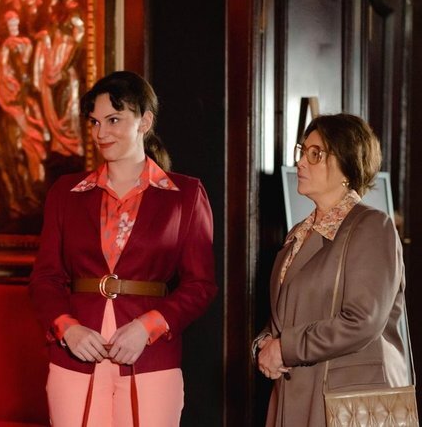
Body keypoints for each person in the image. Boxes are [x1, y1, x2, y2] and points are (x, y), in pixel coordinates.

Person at [29, 70, 217, 426]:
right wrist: (67, 328)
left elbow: (200, 286)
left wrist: (147, 327)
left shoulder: (186, 195)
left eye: (114, 120)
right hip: (75, 355)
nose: (101, 132)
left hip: (151, 358)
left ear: (144, 121)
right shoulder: (65, 193)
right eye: (95, 122)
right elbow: (45, 278)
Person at [253, 113, 411, 426]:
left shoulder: (372, 226)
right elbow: (285, 316)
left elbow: (363, 321)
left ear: (347, 165)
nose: (301, 162)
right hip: (294, 397)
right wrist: (264, 343)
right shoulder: (299, 233)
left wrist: (285, 348)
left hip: (345, 403)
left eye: (316, 154)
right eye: (302, 151)